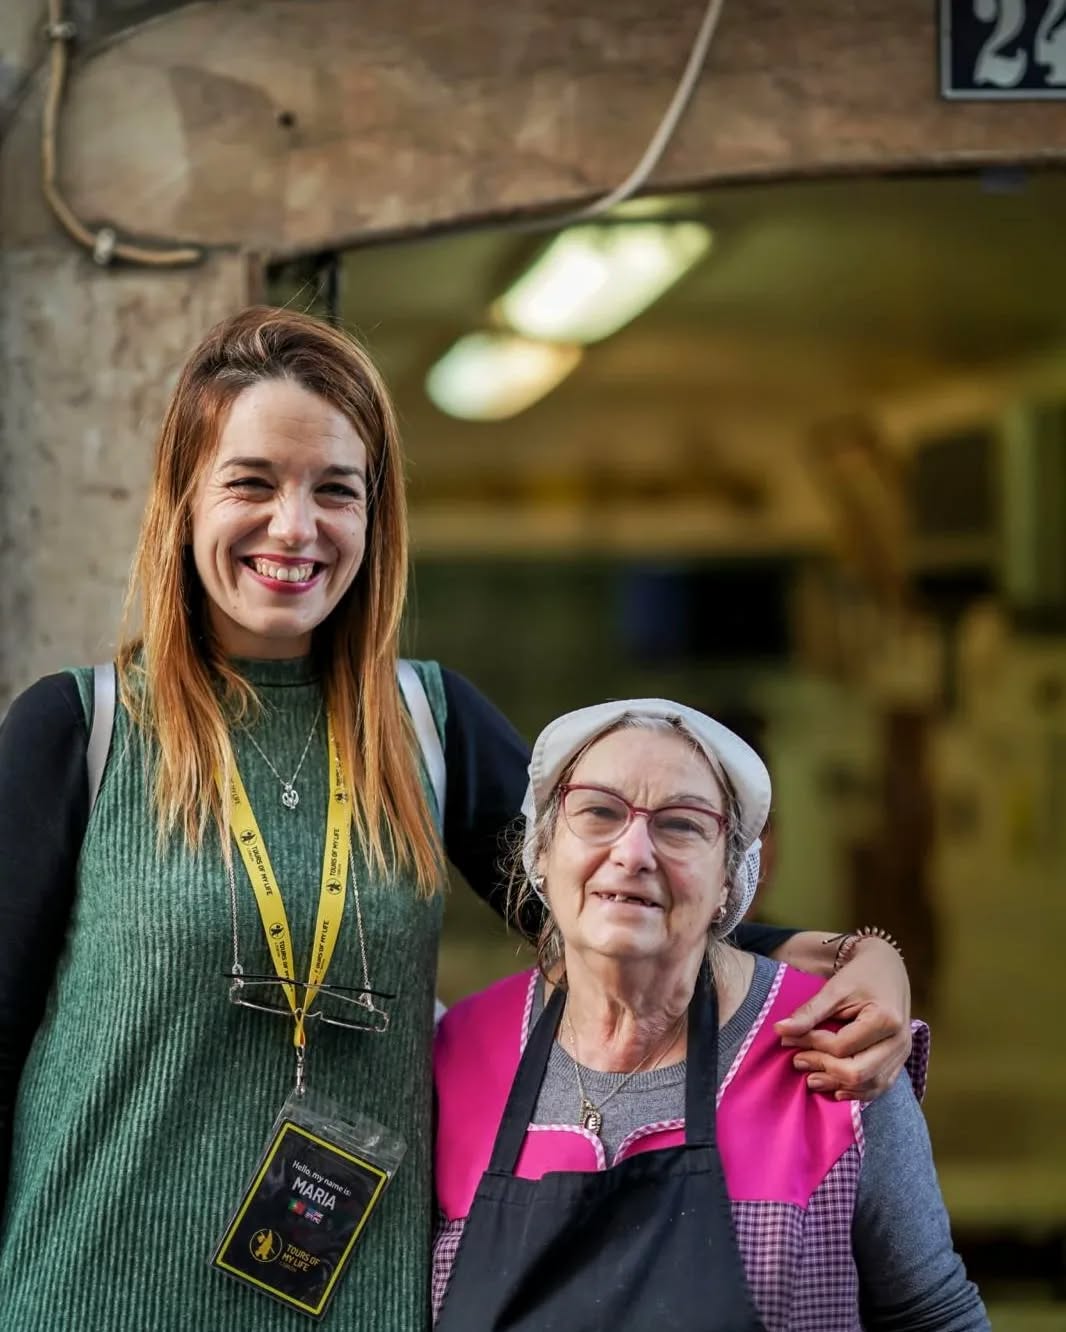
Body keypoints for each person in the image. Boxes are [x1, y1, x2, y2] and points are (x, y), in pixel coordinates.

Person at [0, 306, 912, 1331]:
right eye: (251, 482)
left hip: (352, 1307)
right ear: (182, 500)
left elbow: (618, 911)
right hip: (85, 1298)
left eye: (334, 491)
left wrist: (851, 953)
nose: (295, 527)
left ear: (374, 518)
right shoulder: (83, 733)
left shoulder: (428, 725)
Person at [432, 699, 989, 1330]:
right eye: (598, 812)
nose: (633, 852)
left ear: (730, 880)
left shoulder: (833, 1056)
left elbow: (935, 1316)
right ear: (540, 851)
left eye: (681, 825)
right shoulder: (458, 1053)